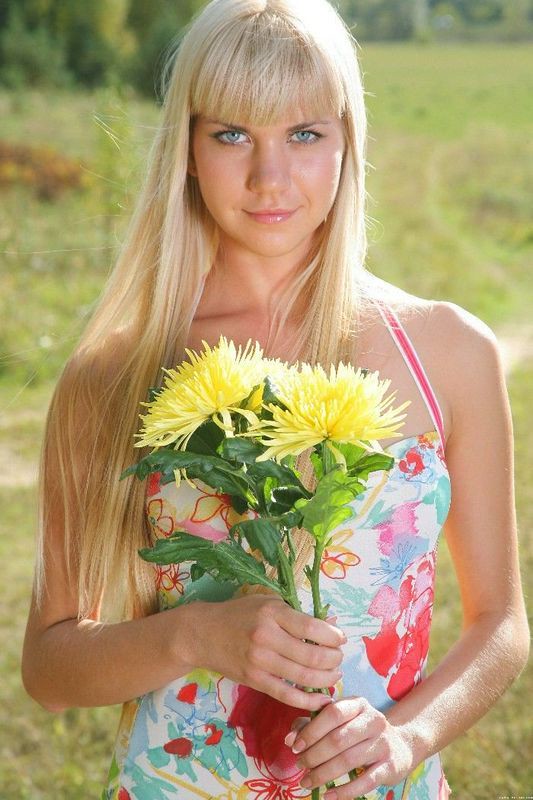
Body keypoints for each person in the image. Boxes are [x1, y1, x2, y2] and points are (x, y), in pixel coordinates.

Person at [21, 0, 529, 798]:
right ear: (188, 149)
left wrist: (405, 737)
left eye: (303, 134)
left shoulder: (448, 352)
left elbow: (500, 625)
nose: (269, 177)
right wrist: (193, 635)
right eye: (231, 135)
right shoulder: (113, 376)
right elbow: (49, 670)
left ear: (346, 141)